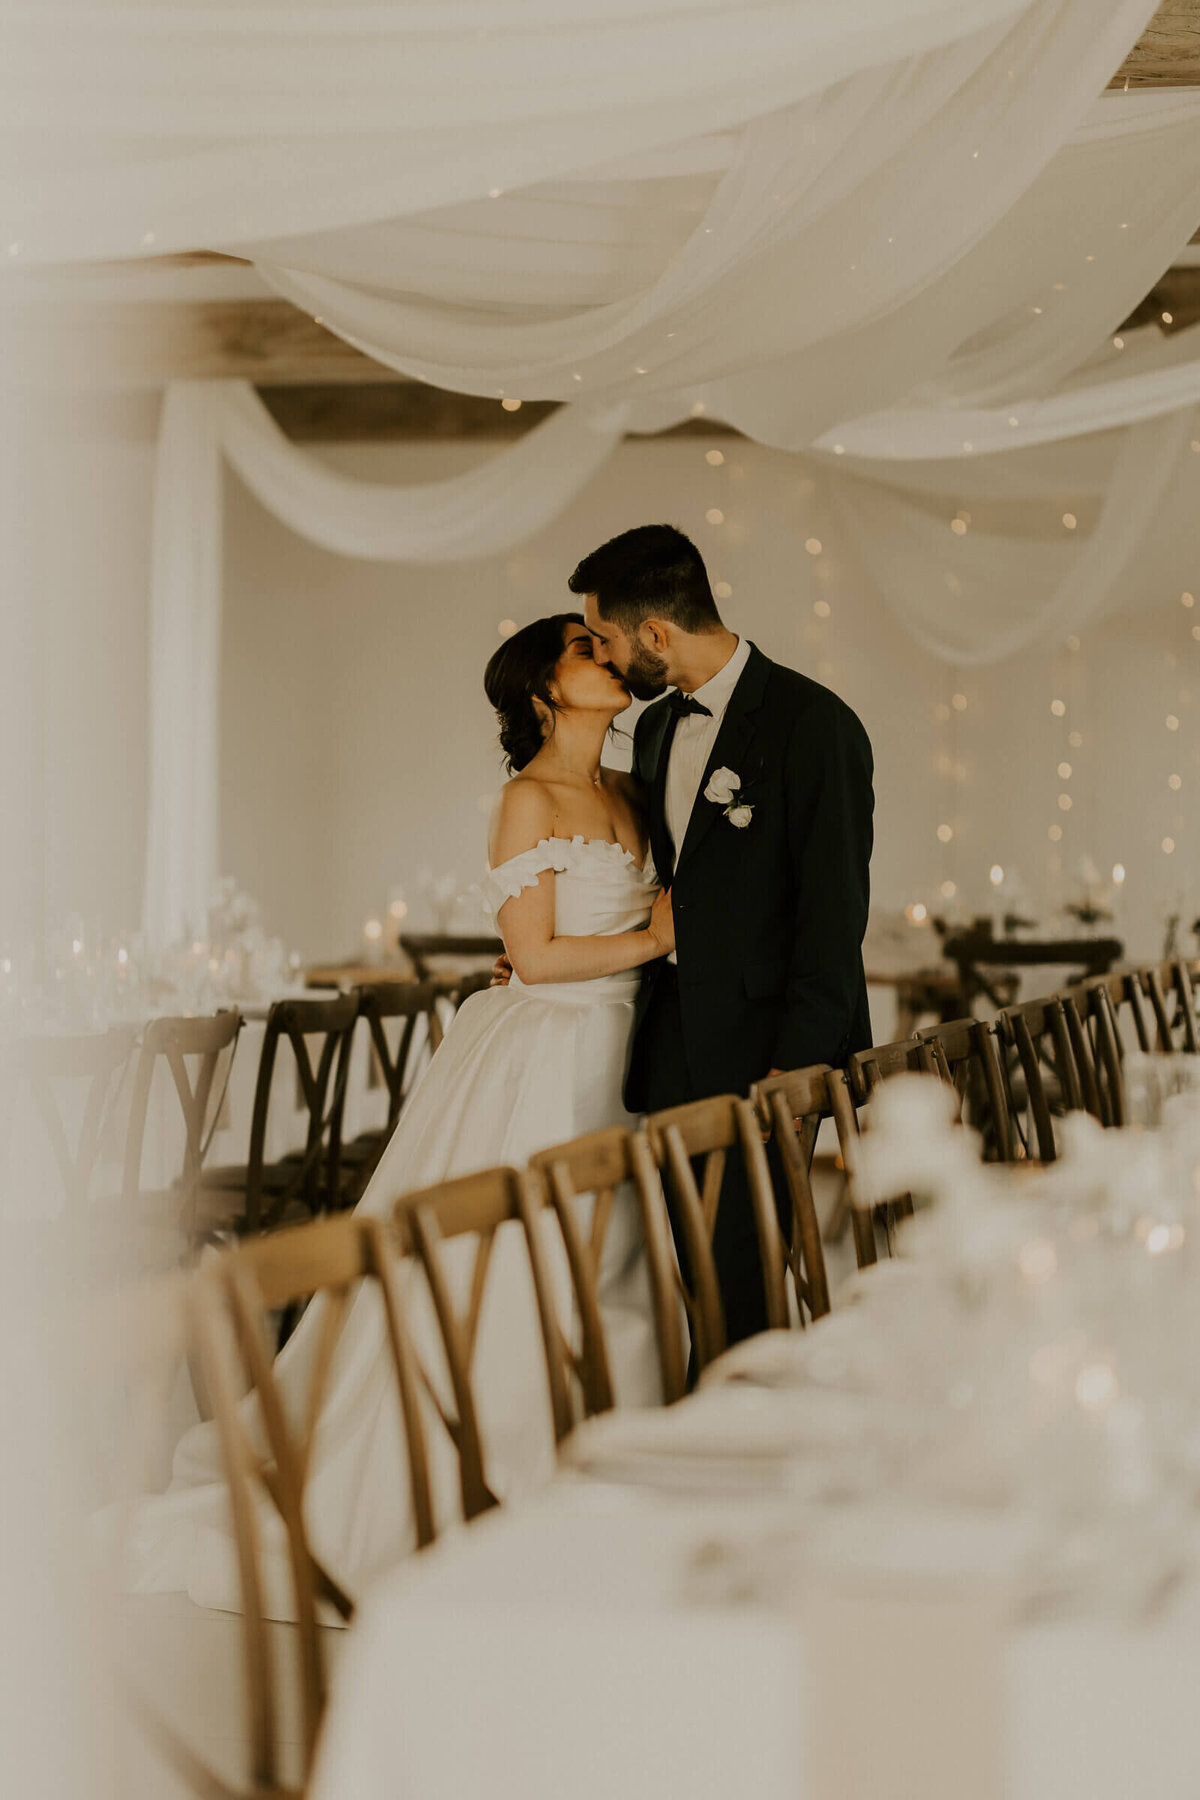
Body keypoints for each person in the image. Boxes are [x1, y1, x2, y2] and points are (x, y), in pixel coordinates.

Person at [113, 614, 672, 1611]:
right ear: (544, 690)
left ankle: (598, 1494)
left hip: (623, 1054)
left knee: (609, 1270)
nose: (608, 655)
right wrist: (657, 938)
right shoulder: (526, 798)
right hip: (546, 1059)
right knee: (508, 1277)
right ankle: (484, 1489)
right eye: (586, 649)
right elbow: (536, 957)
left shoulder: (633, 790)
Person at [500, 524, 874, 1350]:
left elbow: (835, 913)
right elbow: (658, 886)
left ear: (655, 635)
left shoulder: (815, 725)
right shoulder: (660, 731)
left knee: (749, 1293)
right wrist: (546, 950)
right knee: (686, 1284)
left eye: (603, 637)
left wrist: (799, 1065)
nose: (601, 653)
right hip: (667, 1056)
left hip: (768, 1056)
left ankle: (755, 1451)